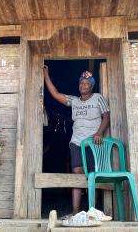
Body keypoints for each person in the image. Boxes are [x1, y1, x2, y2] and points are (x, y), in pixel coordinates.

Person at [43, 66, 110, 214]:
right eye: (81, 83)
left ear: (91, 86)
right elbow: (55, 94)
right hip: (77, 142)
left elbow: (106, 116)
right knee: (77, 173)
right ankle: (75, 211)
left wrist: (99, 133)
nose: (83, 85)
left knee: (93, 173)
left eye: (86, 83)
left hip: (93, 142)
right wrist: (46, 74)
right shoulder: (74, 101)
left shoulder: (98, 98)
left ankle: (93, 208)